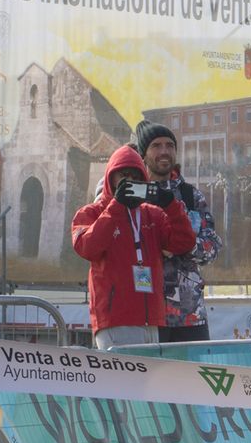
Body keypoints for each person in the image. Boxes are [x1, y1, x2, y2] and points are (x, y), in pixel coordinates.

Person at [72, 145, 196, 350]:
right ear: (110, 178)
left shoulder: (153, 214)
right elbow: (87, 248)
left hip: (152, 319)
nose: (129, 180)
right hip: (114, 321)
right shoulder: (91, 213)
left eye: (135, 175)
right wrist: (117, 206)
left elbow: (183, 243)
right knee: (121, 382)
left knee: (150, 382)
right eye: (123, 175)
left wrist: (171, 206)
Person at [135, 122, 222, 342]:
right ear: (143, 154)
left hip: (190, 317)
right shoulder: (132, 194)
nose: (164, 151)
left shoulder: (190, 195)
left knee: (193, 377)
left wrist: (185, 246)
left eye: (169, 145)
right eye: (156, 145)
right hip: (145, 314)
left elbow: (212, 248)